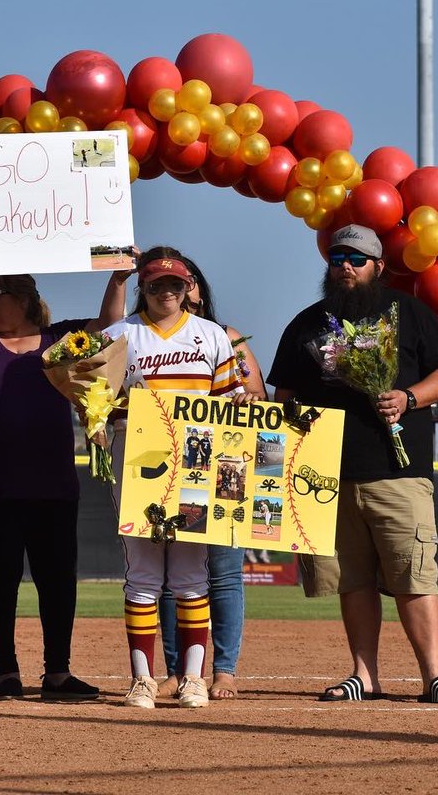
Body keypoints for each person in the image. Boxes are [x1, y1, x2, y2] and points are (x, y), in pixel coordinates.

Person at [268, 223, 438, 704]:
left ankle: (434, 675)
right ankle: (364, 674)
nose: (345, 267)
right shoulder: (307, 323)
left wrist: (409, 397)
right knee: (351, 580)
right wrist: (297, 428)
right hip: (328, 477)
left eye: (356, 259)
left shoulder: (410, 313)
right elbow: (285, 396)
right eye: (337, 258)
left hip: (399, 473)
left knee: (413, 575)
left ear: (378, 266)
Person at [0, 261, 127, 700]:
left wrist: (119, 278)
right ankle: (7, 673)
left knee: (58, 581)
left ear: (24, 299)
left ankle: (58, 673)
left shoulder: (60, 340)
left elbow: (109, 323)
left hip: (54, 484)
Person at [104, 248, 254, 709]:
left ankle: (192, 677)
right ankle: (143, 679)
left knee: (191, 575)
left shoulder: (211, 336)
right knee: (144, 574)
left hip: (197, 461)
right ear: (142, 288)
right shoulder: (120, 335)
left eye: (174, 284)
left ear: (188, 288)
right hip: (137, 459)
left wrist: (241, 405)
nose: (165, 292)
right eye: (155, 284)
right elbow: (98, 398)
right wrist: (96, 415)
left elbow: (233, 398)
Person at [150, 250, 267, 700]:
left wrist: (245, 400)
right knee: (165, 578)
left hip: (223, 465)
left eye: (188, 279)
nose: (182, 289)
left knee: (223, 571)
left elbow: (256, 395)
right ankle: (178, 669)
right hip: (165, 467)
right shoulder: (143, 336)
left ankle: (224, 670)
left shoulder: (226, 336)